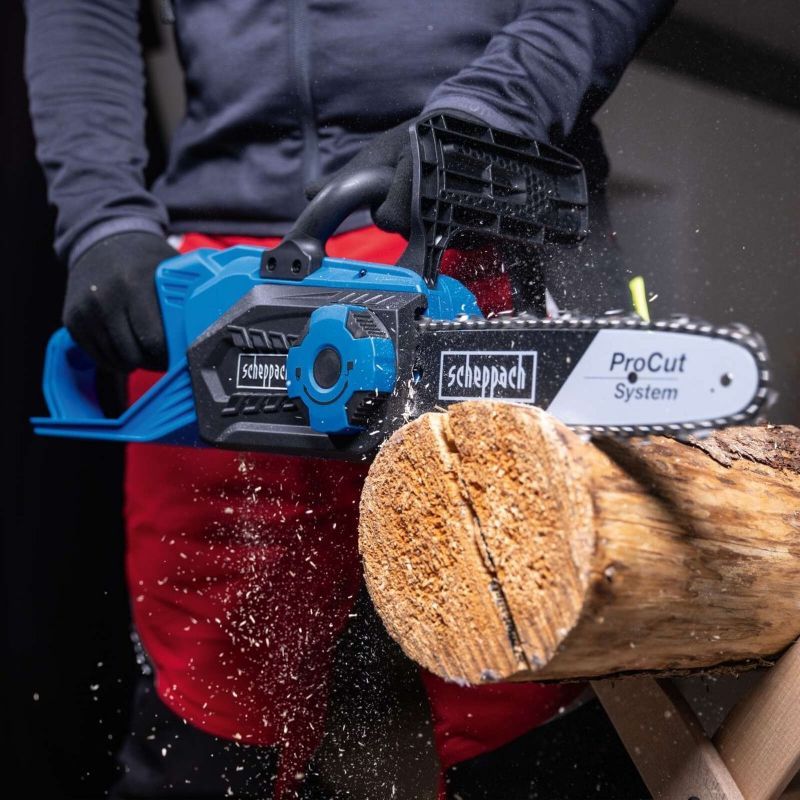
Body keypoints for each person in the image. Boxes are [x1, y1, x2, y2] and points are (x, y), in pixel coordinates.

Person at [24, 1, 675, 797]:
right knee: (202, 728)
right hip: (224, 274)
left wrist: (492, 109)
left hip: (469, 207)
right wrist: (103, 219)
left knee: (529, 689)